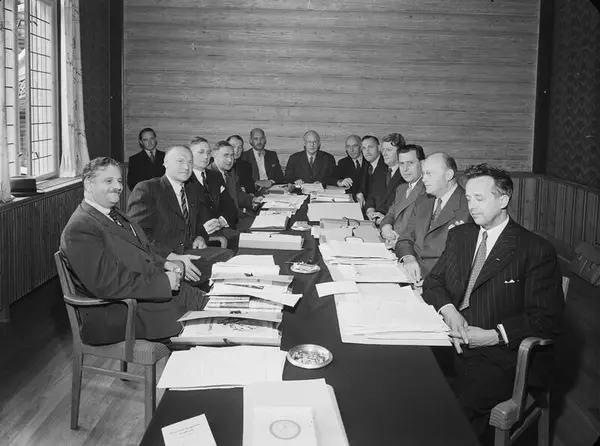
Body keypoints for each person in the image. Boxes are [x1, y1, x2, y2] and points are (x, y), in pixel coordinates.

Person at [422, 164, 564, 441]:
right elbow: (434, 281)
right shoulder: (460, 236)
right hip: (450, 339)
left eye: (479, 198)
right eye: (468, 198)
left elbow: (546, 318)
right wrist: (450, 311)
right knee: (408, 383)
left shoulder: (534, 249)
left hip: (499, 355)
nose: (471, 206)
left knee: (447, 414)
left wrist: (492, 336)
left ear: (503, 200)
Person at [60, 157, 208, 345]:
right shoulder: (80, 228)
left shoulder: (115, 213)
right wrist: (164, 283)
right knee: (209, 335)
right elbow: (107, 283)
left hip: (149, 291)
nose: (118, 186)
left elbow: (144, 247)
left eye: (119, 180)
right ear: (89, 184)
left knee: (216, 306)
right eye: (109, 181)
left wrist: (166, 263)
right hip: (122, 312)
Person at [127, 145, 234, 286]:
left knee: (229, 258)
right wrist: (172, 258)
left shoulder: (191, 189)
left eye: (190, 162)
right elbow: (138, 236)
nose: (186, 167)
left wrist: (199, 236)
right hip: (161, 259)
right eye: (180, 161)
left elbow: (198, 221)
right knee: (220, 272)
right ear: (165, 163)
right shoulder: (148, 189)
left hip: (188, 252)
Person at [395, 152, 471, 281]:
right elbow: (405, 238)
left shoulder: (468, 206)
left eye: (429, 174)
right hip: (410, 275)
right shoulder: (423, 200)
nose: (423, 179)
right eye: (423, 173)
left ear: (448, 175)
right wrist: (408, 258)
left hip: (441, 282)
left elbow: (462, 262)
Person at [188, 137, 241, 249]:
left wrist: (221, 221)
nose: (206, 156)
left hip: (223, 230)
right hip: (199, 238)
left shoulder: (215, 176)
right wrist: (203, 229)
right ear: (190, 155)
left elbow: (231, 208)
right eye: (201, 152)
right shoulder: (185, 180)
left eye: (208, 153)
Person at [380, 144, 426, 248]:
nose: (405, 169)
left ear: (422, 164)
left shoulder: (427, 190)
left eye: (410, 163)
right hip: (392, 243)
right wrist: (386, 227)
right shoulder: (401, 188)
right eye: (401, 164)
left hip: (410, 248)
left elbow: (421, 231)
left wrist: (399, 241)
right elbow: (390, 214)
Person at [209, 140, 262, 231]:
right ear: (214, 154)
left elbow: (238, 194)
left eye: (232, 155)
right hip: (221, 225)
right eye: (226, 155)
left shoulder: (231, 172)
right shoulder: (208, 175)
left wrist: (253, 200)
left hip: (236, 217)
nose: (230, 160)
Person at [363, 133, 407, 224]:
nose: (384, 153)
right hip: (374, 221)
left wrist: (386, 219)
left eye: (388, 150)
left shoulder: (406, 175)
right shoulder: (381, 170)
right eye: (383, 150)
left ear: (400, 152)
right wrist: (370, 210)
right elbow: (372, 195)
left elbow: (404, 210)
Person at [355, 135, 386, 209]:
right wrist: (360, 194)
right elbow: (363, 185)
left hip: (380, 210)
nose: (367, 151)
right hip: (368, 207)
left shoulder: (386, 165)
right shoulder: (366, 164)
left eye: (370, 147)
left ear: (379, 148)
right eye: (364, 148)